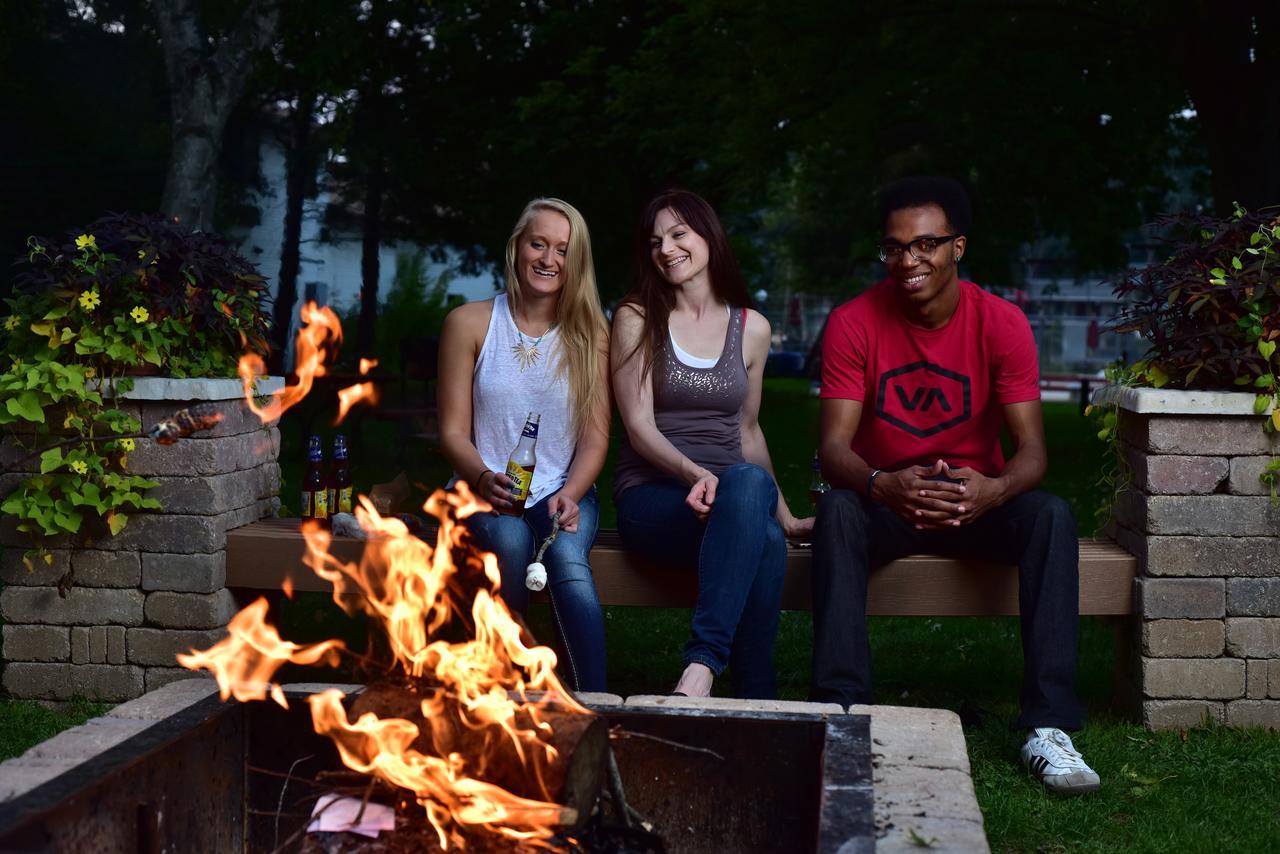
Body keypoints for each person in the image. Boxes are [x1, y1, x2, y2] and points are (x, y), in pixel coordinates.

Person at [811, 176, 1100, 794]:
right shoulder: (853, 322)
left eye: (926, 245)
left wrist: (992, 491)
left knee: (1050, 516)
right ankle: (842, 711)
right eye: (894, 248)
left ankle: (1048, 727)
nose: (908, 260)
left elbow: (1033, 454)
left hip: (976, 503)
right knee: (838, 508)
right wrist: (882, 483)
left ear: (958, 248)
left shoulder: (1002, 322)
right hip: (887, 501)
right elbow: (833, 448)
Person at [611, 189, 813, 700]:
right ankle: (742, 685)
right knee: (757, 532)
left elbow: (748, 432)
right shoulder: (637, 317)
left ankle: (704, 676)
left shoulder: (753, 329)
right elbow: (638, 427)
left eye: (679, 234)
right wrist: (696, 476)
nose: (667, 248)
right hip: (655, 500)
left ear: (708, 237)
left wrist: (785, 515)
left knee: (759, 516)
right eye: (656, 240)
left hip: (735, 497)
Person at [438, 197, 610, 693]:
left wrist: (573, 493)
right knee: (510, 543)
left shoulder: (591, 334)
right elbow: (451, 431)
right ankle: (504, 695)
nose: (549, 259)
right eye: (538, 244)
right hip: (481, 486)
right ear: (517, 248)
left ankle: (596, 706)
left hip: (562, 486)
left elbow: (597, 438)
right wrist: (481, 478)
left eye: (563, 250)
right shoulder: (469, 323)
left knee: (569, 564)